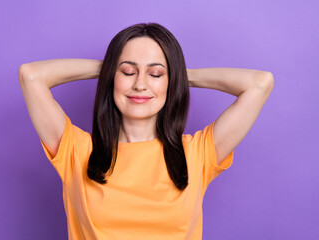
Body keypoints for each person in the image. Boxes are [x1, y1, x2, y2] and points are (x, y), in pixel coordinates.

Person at [18, 23, 274, 240]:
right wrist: (109, 67)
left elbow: (259, 84)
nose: (140, 84)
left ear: (170, 81)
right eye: (128, 71)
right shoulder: (76, 151)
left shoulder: (198, 153)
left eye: (155, 73)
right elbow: (31, 76)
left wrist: (180, 74)